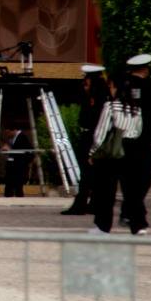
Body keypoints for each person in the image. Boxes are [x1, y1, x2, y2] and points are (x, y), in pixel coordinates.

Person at [90, 53, 151, 235]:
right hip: (133, 148)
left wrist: (93, 151)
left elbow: (101, 132)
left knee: (107, 191)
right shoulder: (136, 108)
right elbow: (138, 129)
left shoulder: (110, 106)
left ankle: (103, 226)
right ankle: (138, 225)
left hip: (113, 151)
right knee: (133, 191)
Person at [61, 64, 109, 215]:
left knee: (88, 173)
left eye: (87, 79)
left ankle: (82, 204)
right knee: (89, 173)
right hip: (88, 136)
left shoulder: (99, 98)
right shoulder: (89, 96)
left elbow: (95, 120)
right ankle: (91, 203)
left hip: (93, 137)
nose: (84, 83)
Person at [1, 128, 30, 197]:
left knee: (18, 188)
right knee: (9, 187)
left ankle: (17, 199)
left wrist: (10, 149)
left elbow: (22, 152)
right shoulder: (13, 138)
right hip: (12, 166)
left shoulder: (22, 137)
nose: (7, 134)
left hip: (18, 167)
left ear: (14, 130)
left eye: (8, 132)